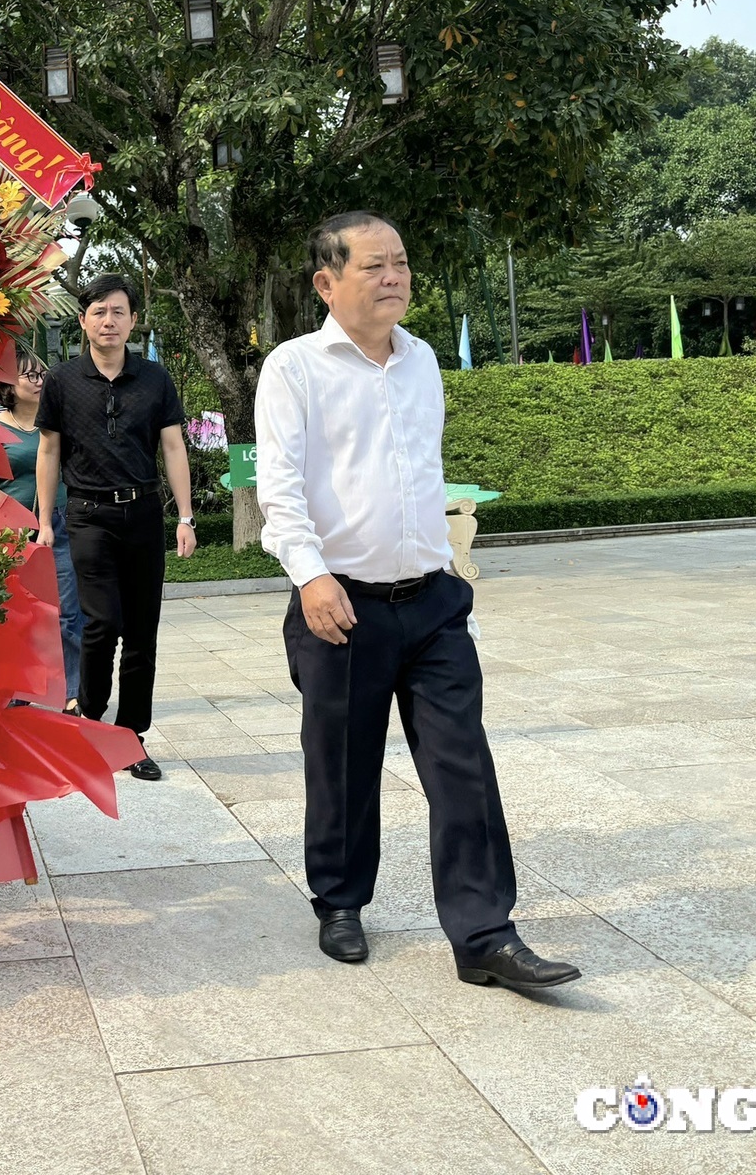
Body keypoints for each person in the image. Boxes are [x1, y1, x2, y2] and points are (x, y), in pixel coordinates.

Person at [255, 211, 580, 990]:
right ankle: (339, 900)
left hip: (432, 603)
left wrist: (448, 566)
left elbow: (417, 474)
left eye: (400, 262)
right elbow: (282, 488)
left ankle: (485, 936)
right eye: (374, 266)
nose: (395, 276)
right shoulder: (294, 368)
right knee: (342, 762)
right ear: (326, 283)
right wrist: (311, 575)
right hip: (340, 605)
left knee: (462, 763)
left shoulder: (422, 360)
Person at [35, 273, 198, 781]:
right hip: (87, 515)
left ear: (132, 321)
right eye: (99, 311)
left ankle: (131, 738)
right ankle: (91, 722)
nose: (109, 321)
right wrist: (44, 520)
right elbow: (48, 451)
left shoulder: (155, 379)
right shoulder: (62, 380)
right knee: (101, 623)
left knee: (142, 630)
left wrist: (186, 517)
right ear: (83, 320)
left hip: (144, 514)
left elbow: (173, 447)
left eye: (119, 312)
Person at [0, 353, 82, 710]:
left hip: (61, 520)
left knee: (68, 609)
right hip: (9, 528)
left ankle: (72, 691)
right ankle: (18, 690)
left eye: (42, 373)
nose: (38, 380)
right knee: (14, 611)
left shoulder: (60, 423)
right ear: (8, 385)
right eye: (28, 375)